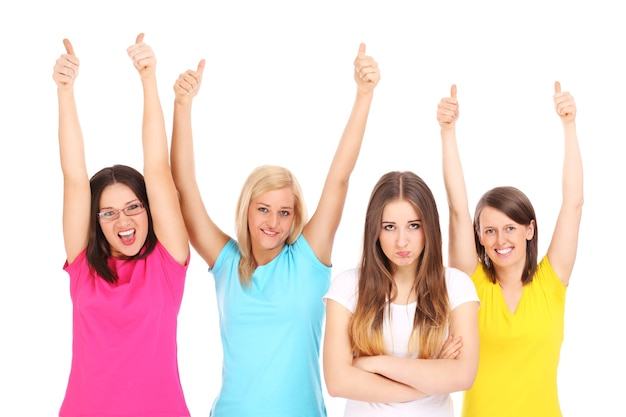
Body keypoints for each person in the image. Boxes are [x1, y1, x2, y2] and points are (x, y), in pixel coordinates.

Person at [170, 43, 380, 416]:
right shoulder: (227, 262)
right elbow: (183, 189)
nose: (273, 222)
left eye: (284, 212)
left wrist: (364, 95)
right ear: (247, 209)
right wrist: (182, 108)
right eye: (263, 209)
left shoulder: (307, 259)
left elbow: (339, 180)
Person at [53, 34, 191, 417]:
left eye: (133, 206)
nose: (123, 220)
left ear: (150, 210)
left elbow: (158, 169)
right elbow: (75, 178)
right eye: (108, 212)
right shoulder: (83, 267)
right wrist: (65, 91)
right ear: (96, 222)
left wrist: (149, 79)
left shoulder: (167, 262)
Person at [437, 83, 583, 417]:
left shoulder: (550, 282)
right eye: (490, 231)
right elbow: (457, 208)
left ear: (530, 229)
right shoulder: (471, 285)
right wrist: (448, 132)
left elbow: (573, 203)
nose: (501, 240)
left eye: (510, 229)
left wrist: (569, 126)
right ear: (480, 237)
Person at [322, 171, 480, 417]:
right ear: (375, 230)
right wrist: (430, 378)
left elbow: (463, 376)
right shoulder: (347, 287)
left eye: (414, 226)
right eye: (389, 227)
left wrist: (373, 363)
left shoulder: (457, 286)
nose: (402, 241)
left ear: (429, 228)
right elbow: (337, 382)